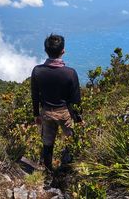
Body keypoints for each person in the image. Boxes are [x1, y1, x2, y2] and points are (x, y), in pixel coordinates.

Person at [31, 34, 82, 179]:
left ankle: (48, 172)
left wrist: (36, 114)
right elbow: (76, 99)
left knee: (47, 143)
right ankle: (67, 170)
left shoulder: (37, 71)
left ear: (46, 50)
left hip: (46, 112)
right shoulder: (70, 73)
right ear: (63, 51)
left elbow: (35, 95)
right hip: (64, 113)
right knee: (70, 141)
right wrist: (78, 118)